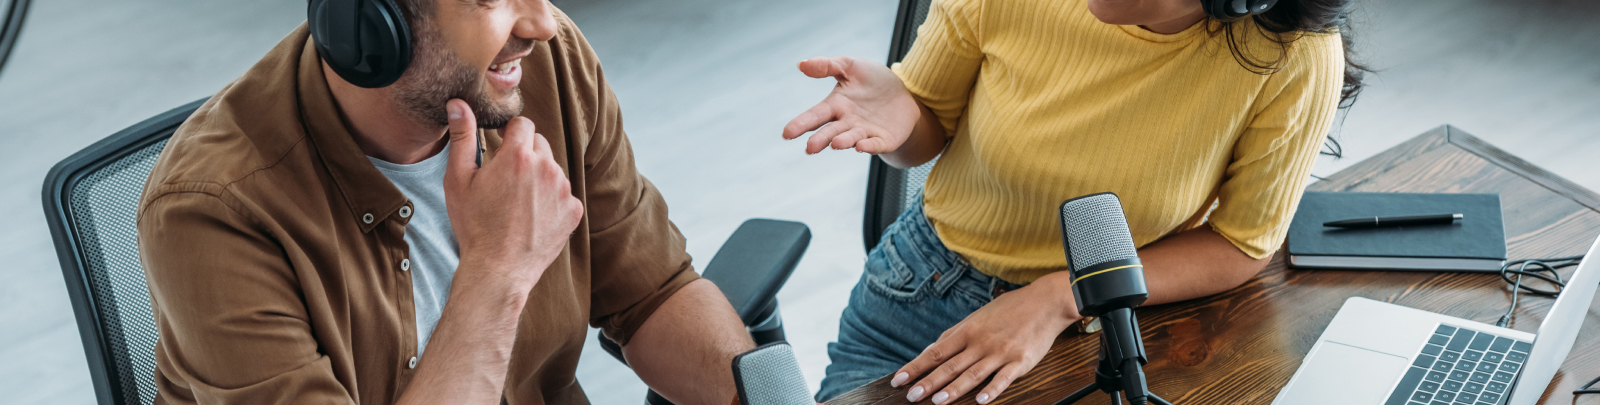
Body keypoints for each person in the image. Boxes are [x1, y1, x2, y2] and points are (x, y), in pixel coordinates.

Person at [137, 0, 756, 404]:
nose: (541, 23)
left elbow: (654, 293)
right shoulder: (210, 212)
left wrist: (773, 399)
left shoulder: (545, 65)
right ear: (367, 24)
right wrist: (496, 270)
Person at [784, 0, 1367, 402]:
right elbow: (927, 131)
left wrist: (1061, 297)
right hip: (919, 297)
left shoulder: (1292, 57)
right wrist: (904, 114)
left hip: (1106, 321)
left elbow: (1239, 246)